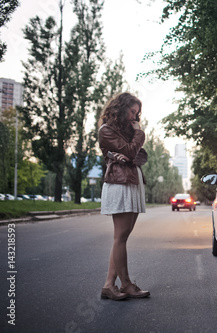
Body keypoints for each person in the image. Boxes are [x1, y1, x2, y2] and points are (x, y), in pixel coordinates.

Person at [98, 92, 150, 300]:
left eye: (137, 114)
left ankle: (109, 285)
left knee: (123, 237)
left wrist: (130, 151)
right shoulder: (106, 130)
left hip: (133, 182)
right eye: (132, 112)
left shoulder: (127, 133)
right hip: (119, 183)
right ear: (121, 108)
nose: (135, 118)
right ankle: (126, 283)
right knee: (120, 236)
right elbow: (130, 153)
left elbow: (141, 155)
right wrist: (136, 140)